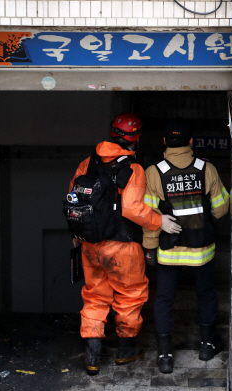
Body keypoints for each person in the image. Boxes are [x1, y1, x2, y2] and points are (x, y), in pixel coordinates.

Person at [69, 113, 180, 375]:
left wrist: (77, 236)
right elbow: (132, 209)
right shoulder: (133, 168)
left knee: (95, 296)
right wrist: (158, 221)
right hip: (123, 246)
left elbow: (74, 200)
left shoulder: (88, 163)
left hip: (91, 245)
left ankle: (93, 357)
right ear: (137, 139)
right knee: (130, 297)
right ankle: (125, 350)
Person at [143, 119, 229, 374]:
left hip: (169, 251)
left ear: (164, 142)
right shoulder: (207, 169)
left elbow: (148, 214)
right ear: (192, 142)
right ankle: (206, 345)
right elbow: (222, 207)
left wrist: (149, 247)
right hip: (201, 249)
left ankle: (166, 356)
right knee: (206, 294)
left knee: (164, 299)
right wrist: (201, 219)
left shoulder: (153, 172)